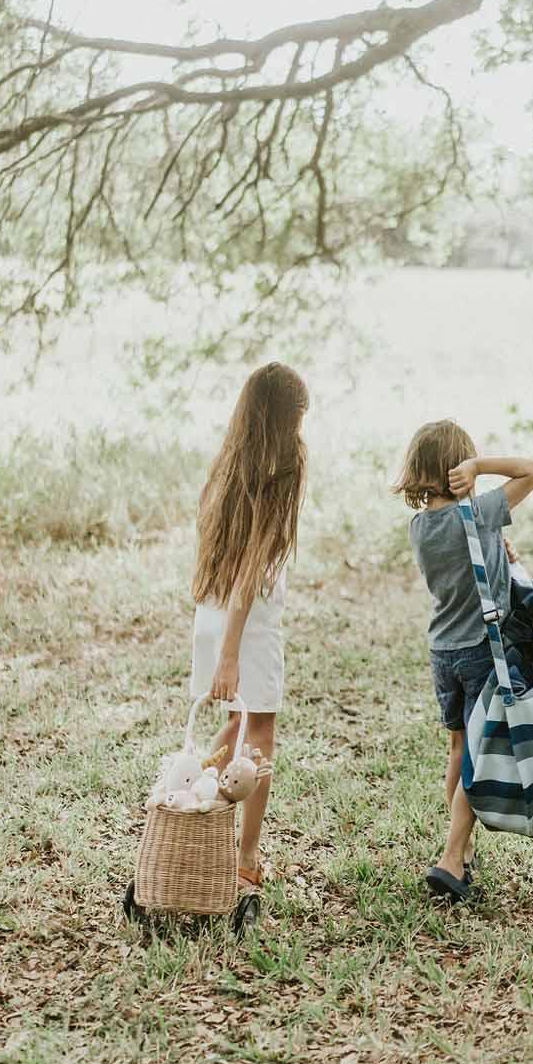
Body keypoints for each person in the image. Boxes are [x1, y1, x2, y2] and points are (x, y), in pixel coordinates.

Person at [393, 420, 533, 901]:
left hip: (443, 650)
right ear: (457, 468)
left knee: (459, 747)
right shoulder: (479, 514)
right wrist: (482, 466)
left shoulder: (420, 527)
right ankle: (451, 859)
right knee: (481, 753)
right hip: (482, 648)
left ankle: (464, 848)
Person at [190, 362, 309, 905]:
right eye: (300, 417)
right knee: (258, 734)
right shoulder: (281, 468)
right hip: (247, 621)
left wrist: (222, 641)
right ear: (286, 419)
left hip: (212, 613)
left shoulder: (228, 462)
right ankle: (244, 858)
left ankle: (185, 802)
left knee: (236, 724)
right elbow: (249, 572)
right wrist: (232, 653)